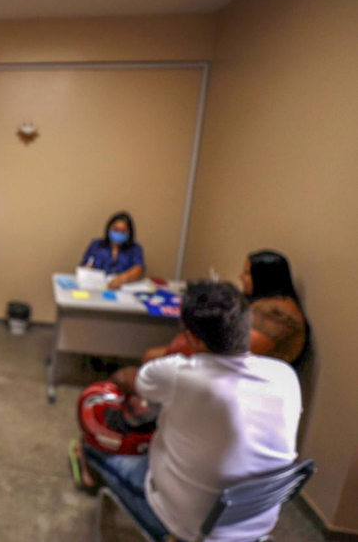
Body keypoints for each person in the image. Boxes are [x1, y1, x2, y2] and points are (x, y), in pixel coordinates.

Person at [72, 281, 301, 541]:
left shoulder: (179, 373)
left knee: (92, 446)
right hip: (254, 525)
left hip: (188, 530)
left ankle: (90, 464)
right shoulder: (284, 375)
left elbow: (129, 379)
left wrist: (120, 377)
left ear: (192, 337)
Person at [144, 250, 308, 367]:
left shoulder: (280, 317)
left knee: (154, 356)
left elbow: (235, 348)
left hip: (233, 371)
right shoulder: (266, 302)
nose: (241, 277)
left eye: (247, 273)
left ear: (264, 278)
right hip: (222, 362)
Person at [80, 211, 145, 290]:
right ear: (109, 228)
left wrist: (121, 279)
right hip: (97, 289)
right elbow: (84, 265)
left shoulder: (134, 249)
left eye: (123, 231)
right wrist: (87, 269)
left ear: (129, 233)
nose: (118, 233)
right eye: (115, 229)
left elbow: (139, 269)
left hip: (122, 290)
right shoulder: (96, 245)